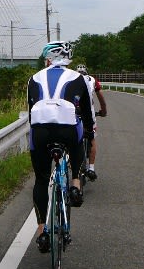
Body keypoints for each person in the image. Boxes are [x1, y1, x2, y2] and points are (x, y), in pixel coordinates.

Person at [28, 41, 95, 253]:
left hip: (40, 130)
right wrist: (90, 135)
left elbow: (31, 110)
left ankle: (42, 233)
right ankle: (76, 181)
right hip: (67, 128)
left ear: (49, 58)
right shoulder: (78, 78)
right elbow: (87, 112)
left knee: (40, 179)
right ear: (67, 58)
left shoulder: (34, 78)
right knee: (78, 138)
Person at [75, 64, 108, 181]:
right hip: (89, 113)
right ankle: (91, 168)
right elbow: (101, 98)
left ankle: (71, 162)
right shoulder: (92, 80)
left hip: (74, 114)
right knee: (91, 138)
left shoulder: (71, 79)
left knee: (73, 138)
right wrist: (103, 111)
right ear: (87, 72)